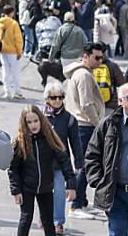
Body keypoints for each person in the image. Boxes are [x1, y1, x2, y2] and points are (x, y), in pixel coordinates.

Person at [84, 82, 128, 236]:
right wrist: (100, 182)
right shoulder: (108, 124)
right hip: (116, 193)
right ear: (120, 101)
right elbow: (92, 154)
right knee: (117, 232)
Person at [9, 105, 76, 236]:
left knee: (48, 221)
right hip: (27, 187)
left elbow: (64, 160)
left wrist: (71, 183)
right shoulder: (20, 141)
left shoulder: (49, 137)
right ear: (24, 124)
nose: (33, 125)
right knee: (26, 218)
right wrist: (16, 190)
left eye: (36, 121)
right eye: (29, 122)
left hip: (46, 186)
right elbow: (13, 168)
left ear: (41, 120)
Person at [64, 43, 106, 219]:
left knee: (86, 165)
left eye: (101, 58)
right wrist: (99, 125)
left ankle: (81, 201)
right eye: (96, 57)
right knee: (86, 166)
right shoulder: (84, 75)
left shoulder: (81, 72)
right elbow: (86, 104)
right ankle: (75, 205)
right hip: (85, 125)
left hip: (82, 124)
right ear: (85, 56)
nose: (99, 61)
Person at [44, 80, 83, 236]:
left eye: (60, 97)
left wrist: (79, 162)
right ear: (47, 98)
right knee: (43, 192)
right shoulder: (39, 116)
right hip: (42, 162)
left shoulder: (69, 118)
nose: (57, 101)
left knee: (60, 191)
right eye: (53, 97)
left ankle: (58, 222)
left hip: (60, 162)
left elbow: (75, 142)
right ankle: (45, 217)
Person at [0, 6, 24, 99]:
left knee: (5, 71)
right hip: (13, 51)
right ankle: (17, 92)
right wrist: (19, 51)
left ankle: (7, 91)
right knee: (15, 72)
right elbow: (18, 39)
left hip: (3, 50)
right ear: (11, 13)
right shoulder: (14, 23)